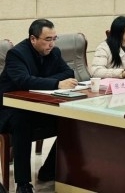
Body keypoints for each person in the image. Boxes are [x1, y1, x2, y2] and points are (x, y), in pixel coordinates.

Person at [0, 19, 77, 193]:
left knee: (69, 121)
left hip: (36, 106)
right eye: (47, 39)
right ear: (33, 39)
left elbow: (68, 72)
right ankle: (23, 184)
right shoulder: (17, 54)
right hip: (9, 109)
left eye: (54, 38)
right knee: (22, 120)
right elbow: (23, 80)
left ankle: (49, 170)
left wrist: (42, 81)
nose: (52, 44)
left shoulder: (54, 52)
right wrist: (56, 83)